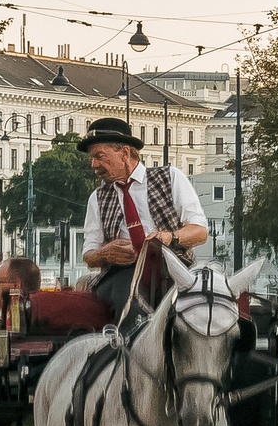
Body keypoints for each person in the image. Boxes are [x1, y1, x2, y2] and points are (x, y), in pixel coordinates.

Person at [77, 117, 208, 327]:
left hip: (174, 268)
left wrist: (169, 237)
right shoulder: (98, 198)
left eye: (99, 156)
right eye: (92, 158)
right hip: (124, 274)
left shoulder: (170, 177)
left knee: (210, 305)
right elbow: (89, 256)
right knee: (122, 298)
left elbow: (200, 232)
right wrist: (105, 253)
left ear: (125, 153)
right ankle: (125, 352)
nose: (94, 164)